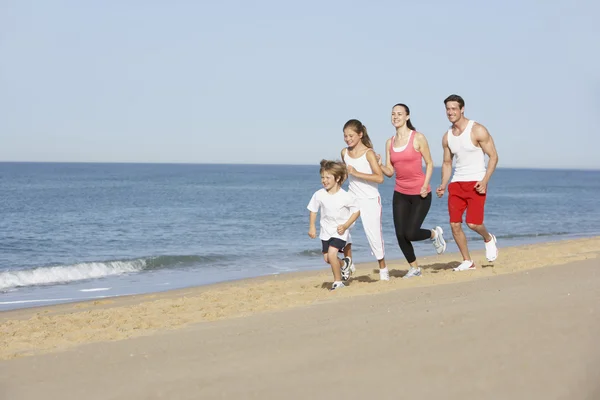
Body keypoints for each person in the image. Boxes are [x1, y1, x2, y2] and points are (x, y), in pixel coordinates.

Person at [380, 104, 447, 278]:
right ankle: (415, 268)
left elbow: (430, 163)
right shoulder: (390, 142)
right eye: (393, 114)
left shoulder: (417, 138)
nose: (395, 117)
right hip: (400, 193)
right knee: (400, 234)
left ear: (407, 117)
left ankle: (434, 233)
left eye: (399, 114)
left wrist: (425, 185)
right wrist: (378, 164)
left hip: (420, 193)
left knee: (410, 232)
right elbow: (389, 172)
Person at [436, 94, 499, 271]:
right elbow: (447, 163)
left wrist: (485, 180)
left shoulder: (477, 130)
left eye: (454, 108)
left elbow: (493, 157)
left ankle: (488, 238)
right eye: (448, 109)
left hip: (476, 182)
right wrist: (443, 183)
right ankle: (467, 261)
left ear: (462, 109)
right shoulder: (447, 136)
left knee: (473, 224)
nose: (450, 112)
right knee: (455, 224)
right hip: (456, 184)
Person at [340, 119, 389, 281]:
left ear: (360, 134)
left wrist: (356, 173)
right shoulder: (344, 153)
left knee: (373, 234)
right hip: (352, 197)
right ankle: (349, 262)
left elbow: (379, 178)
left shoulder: (369, 153)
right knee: (342, 227)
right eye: (345, 136)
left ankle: (383, 270)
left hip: (370, 198)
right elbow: (346, 174)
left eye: (351, 135)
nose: (348, 139)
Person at [307, 159, 360, 290]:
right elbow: (313, 210)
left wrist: (346, 225)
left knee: (331, 254)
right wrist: (312, 226)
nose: (324, 180)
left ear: (337, 178)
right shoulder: (319, 194)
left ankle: (338, 281)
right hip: (326, 231)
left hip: (340, 231)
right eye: (322, 177)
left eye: (327, 177)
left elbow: (356, 211)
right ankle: (344, 264)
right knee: (327, 258)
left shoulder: (346, 196)